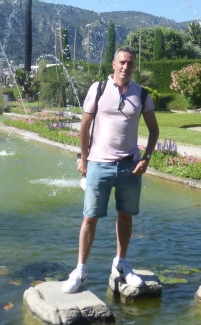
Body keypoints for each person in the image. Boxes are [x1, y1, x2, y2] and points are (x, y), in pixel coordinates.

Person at [62, 46, 159, 294]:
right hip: (99, 164)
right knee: (89, 218)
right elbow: (84, 127)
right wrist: (83, 158)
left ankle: (121, 263)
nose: (126, 67)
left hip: (130, 166)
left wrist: (146, 158)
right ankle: (81, 270)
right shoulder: (99, 89)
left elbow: (154, 130)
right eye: (122, 62)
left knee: (125, 216)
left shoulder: (142, 94)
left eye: (130, 64)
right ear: (114, 65)